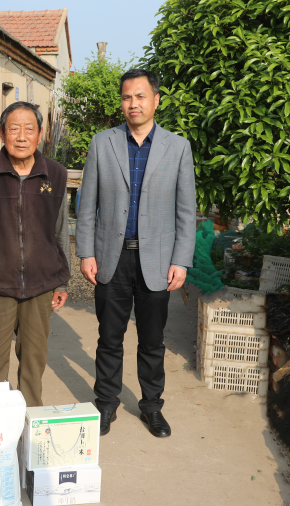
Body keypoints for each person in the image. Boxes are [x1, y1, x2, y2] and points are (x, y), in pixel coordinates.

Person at [76, 69, 196, 438]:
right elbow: (87, 204)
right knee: (109, 338)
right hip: (111, 257)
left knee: (152, 341)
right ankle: (106, 403)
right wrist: (85, 252)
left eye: (141, 96)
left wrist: (181, 260)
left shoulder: (178, 147)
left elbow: (186, 210)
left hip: (156, 261)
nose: (133, 104)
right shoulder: (103, 143)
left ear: (156, 100)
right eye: (127, 97)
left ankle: (151, 406)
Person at [0, 101, 70, 408]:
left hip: (40, 285)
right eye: (14, 129)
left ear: (40, 134)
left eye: (29, 129)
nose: (21, 136)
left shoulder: (56, 174)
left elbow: (60, 230)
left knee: (34, 363)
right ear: (1, 133)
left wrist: (62, 281)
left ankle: (29, 423)